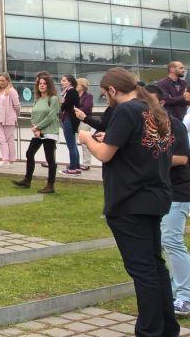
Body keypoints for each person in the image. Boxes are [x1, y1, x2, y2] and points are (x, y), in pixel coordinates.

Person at [79, 68, 179, 336]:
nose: (106, 99)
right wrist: (106, 137)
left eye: (105, 94)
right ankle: (167, 327)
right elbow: (135, 146)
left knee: (143, 270)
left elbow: (106, 154)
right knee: (155, 266)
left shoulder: (126, 110)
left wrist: (88, 139)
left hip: (129, 200)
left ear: (112, 90)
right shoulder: (154, 109)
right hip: (155, 197)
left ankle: (149, 331)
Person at [144, 84, 190, 316]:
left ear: (161, 103)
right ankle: (176, 290)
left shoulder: (175, 125)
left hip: (179, 192)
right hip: (162, 192)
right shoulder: (150, 126)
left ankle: (185, 296)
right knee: (165, 242)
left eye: (150, 102)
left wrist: (152, 160)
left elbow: (181, 158)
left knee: (172, 242)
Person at [13, 74, 60, 194]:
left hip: (49, 133)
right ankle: (27, 180)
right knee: (29, 153)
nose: (42, 86)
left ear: (49, 85)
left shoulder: (53, 99)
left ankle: (50, 185)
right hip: (38, 133)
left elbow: (51, 116)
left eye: (44, 84)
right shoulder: (37, 99)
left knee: (50, 159)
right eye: (40, 84)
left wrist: (38, 127)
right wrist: (35, 127)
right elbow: (33, 115)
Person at [0, 72, 20, 169]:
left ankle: (9, 160)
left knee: (9, 140)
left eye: (3, 80)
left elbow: (17, 106)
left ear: (8, 81)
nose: (1, 82)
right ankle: (5, 159)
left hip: (9, 119)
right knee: (2, 139)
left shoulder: (12, 91)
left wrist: (14, 116)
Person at [58, 74, 83, 176]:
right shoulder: (70, 92)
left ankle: (72, 168)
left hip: (69, 119)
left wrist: (60, 105)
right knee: (73, 144)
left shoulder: (71, 91)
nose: (61, 82)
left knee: (71, 145)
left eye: (64, 80)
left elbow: (65, 105)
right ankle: (76, 166)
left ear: (70, 82)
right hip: (70, 119)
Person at [75, 78, 94, 171]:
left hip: (84, 121)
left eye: (77, 84)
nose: (75, 86)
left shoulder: (88, 96)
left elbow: (86, 108)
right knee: (73, 142)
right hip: (74, 121)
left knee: (85, 142)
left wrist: (74, 110)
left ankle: (86, 164)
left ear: (82, 86)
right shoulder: (74, 96)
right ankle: (75, 162)